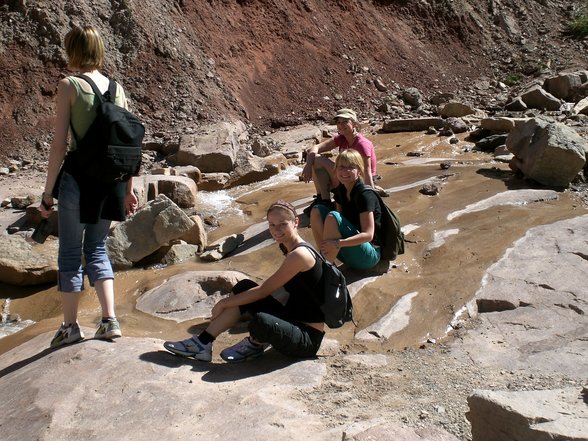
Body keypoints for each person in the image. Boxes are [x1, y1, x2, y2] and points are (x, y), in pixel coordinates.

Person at [38, 25, 138, 348]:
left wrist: (47, 193)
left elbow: (58, 146)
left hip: (78, 181)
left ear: (74, 51)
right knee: (96, 248)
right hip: (110, 183)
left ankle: (70, 327)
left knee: (69, 252)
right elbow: (126, 146)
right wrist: (129, 189)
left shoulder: (69, 86)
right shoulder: (117, 88)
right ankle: (110, 320)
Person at [163, 200, 326, 363]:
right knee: (244, 287)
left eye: (282, 224)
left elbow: (264, 291)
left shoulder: (299, 255)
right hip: (292, 320)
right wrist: (241, 306)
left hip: (307, 338)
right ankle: (203, 343)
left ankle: (255, 344)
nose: (276, 230)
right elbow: (281, 292)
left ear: (296, 221)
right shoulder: (290, 247)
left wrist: (224, 303)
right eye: (272, 225)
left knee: (261, 321)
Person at [310, 149, 382, 270]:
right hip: (349, 249)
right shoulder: (341, 191)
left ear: (359, 170)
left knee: (333, 216)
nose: (345, 171)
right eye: (341, 167)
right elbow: (338, 222)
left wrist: (337, 244)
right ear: (335, 170)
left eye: (350, 167)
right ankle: (325, 259)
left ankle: (326, 269)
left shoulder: (364, 195)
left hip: (369, 255)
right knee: (317, 210)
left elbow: (368, 235)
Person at [302, 108, 377, 212]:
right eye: (338, 122)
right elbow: (315, 148)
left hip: (358, 181)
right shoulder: (341, 138)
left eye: (345, 121)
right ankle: (323, 199)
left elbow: (366, 171)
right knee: (315, 159)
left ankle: (326, 201)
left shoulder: (362, 144)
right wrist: (308, 166)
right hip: (347, 175)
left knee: (319, 160)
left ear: (354, 124)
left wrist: (371, 199)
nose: (341, 125)